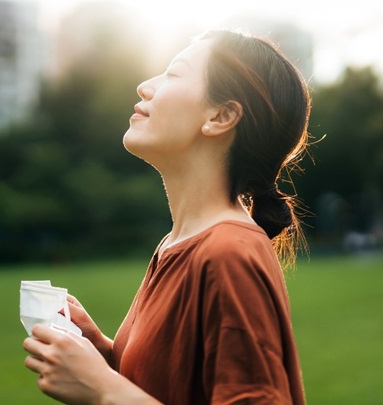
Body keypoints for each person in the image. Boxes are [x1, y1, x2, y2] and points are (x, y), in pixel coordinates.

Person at [23, 29, 310, 404]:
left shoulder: (228, 254)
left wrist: (102, 389)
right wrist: (104, 355)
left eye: (173, 75)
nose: (144, 86)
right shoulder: (178, 245)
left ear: (221, 116)